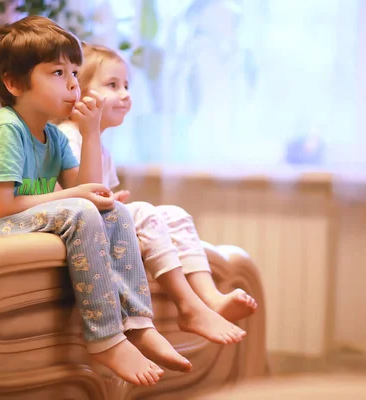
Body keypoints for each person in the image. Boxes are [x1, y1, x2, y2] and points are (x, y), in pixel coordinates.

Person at [0, 16, 191, 386]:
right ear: (13, 83)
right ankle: (105, 337)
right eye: (58, 73)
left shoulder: (54, 138)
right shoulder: (5, 128)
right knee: (80, 209)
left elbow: (94, 193)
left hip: (8, 221)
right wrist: (72, 195)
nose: (73, 84)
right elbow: (0, 208)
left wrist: (90, 133)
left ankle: (137, 323)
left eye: (75, 72)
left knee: (114, 209)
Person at [56, 43, 258, 347]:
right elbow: (83, 196)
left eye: (126, 85)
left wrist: (115, 199)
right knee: (146, 212)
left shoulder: (101, 146)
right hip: (82, 225)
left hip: (105, 218)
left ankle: (211, 297)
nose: (125, 94)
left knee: (175, 215)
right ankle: (188, 307)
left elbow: (104, 193)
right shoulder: (67, 136)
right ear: (79, 94)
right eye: (113, 85)